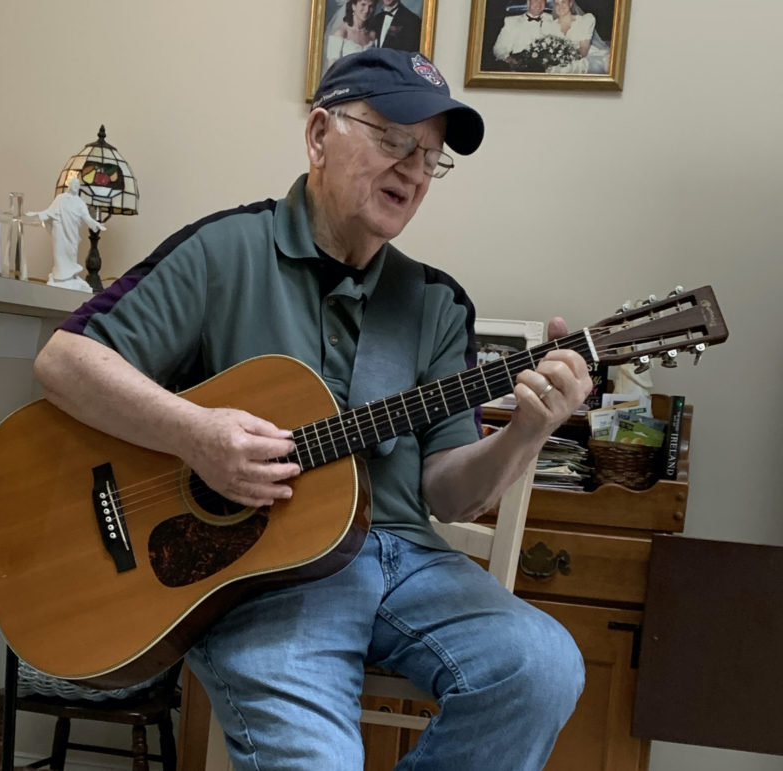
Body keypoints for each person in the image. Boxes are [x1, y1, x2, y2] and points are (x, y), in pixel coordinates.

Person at [34, 48, 592, 770]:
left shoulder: (435, 303)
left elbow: (450, 490)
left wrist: (528, 431)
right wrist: (196, 432)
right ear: (320, 133)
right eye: (393, 139)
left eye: (429, 156)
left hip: (409, 562)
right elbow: (64, 362)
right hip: (268, 574)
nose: (414, 171)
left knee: (542, 665)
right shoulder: (224, 252)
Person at [27, 177, 106, 292]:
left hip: (72, 234)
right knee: (59, 253)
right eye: (73, 184)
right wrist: (37, 215)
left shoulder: (80, 203)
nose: (75, 187)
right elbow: (49, 212)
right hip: (59, 232)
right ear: (70, 185)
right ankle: (59, 278)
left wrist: (96, 224)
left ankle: (70, 277)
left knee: (71, 254)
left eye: (77, 185)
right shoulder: (60, 199)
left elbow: (87, 218)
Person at [542, 0, 610, 74]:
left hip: (581, 57)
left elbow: (584, 50)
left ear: (570, 4)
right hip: (559, 61)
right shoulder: (550, 26)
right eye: (557, 4)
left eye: (563, 2)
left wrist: (568, 59)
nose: (560, 6)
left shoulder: (584, 21)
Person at [491, 0, 552, 65]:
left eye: (542, 1)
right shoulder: (512, 21)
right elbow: (499, 49)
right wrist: (508, 59)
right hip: (520, 66)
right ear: (528, 2)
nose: (539, 4)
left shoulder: (552, 19)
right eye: (535, 1)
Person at [325, 0, 378, 68]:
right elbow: (331, 69)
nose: (367, 10)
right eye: (363, 4)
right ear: (353, 6)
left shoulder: (372, 35)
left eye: (371, 6)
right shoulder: (340, 33)